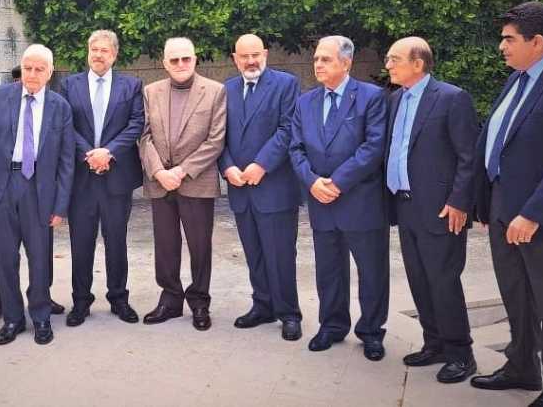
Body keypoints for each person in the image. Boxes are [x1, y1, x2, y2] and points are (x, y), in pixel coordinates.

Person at [470, 2, 543, 407]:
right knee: (516, 294)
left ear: (537, 41)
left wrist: (532, 214)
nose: (501, 46)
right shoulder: (517, 80)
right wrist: (487, 204)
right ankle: (522, 366)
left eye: (509, 39)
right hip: (504, 211)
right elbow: (497, 141)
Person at [384, 37, 479, 383]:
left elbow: (469, 157)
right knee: (419, 279)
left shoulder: (452, 98)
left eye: (394, 59)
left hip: (441, 209)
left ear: (418, 63)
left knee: (443, 281)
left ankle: (461, 354)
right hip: (405, 205)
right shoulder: (396, 99)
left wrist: (459, 202)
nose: (388, 65)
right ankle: (434, 343)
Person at [289, 35, 389, 361]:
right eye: (316, 59)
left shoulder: (371, 97)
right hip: (321, 200)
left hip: (360, 200)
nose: (318, 64)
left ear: (346, 63)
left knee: (371, 270)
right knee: (328, 269)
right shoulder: (305, 102)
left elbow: (373, 147)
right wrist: (312, 181)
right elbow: (295, 148)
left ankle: (371, 331)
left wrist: (337, 183)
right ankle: (332, 326)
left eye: (326, 59)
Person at [0, 45, 75, 345]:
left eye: (39, 69)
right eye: (28, 68)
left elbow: (67, 160)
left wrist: (61, 206)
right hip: (2, 186)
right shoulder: (0, 96)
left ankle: (41, 316)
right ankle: (13, 318)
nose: (32, 74)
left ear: (50, 72)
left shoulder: (60, 107)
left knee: (40, 257)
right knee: (5, 258)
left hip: (39, 189)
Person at [218, 33, 303, 340]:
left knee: (280, 254)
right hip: (240, 187)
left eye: (256, 54)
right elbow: (218, 134)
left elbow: (287, 128)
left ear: (265, 54)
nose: (251, 61)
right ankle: (263, 305)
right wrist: (227, 166)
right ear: (235, 58)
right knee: (253, 252)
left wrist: (261, 164)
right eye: (244, 56)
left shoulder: (286, 84)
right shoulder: (226, 89)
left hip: (274, 186)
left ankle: (289, 313)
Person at [139, 37, 226, 331]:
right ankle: (170, 300)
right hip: (160, 182)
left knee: (200, 245)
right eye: (174, 60)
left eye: (185, 58)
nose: (180, 64)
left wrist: (182, 171)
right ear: (164, 63)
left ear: (195, 59)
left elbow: (215, 140)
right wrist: (158, 171)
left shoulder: (215, 91)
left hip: (196, 181)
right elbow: (144, 137)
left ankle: (200, 301)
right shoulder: (150, 92)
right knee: (165, 244)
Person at [60, 30, 144, 326]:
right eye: (93, 49)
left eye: (104, 50)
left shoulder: (131, 86)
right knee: (81, 243)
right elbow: (65, 125)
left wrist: (108, 152)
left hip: (116, 177)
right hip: (81, 179)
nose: (98, 55)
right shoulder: (69, 84)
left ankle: (119, 298)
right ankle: (80, 301)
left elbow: (136, 123)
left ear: (114, 55)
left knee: (116, 241)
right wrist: (90, 154)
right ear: (88, 52)